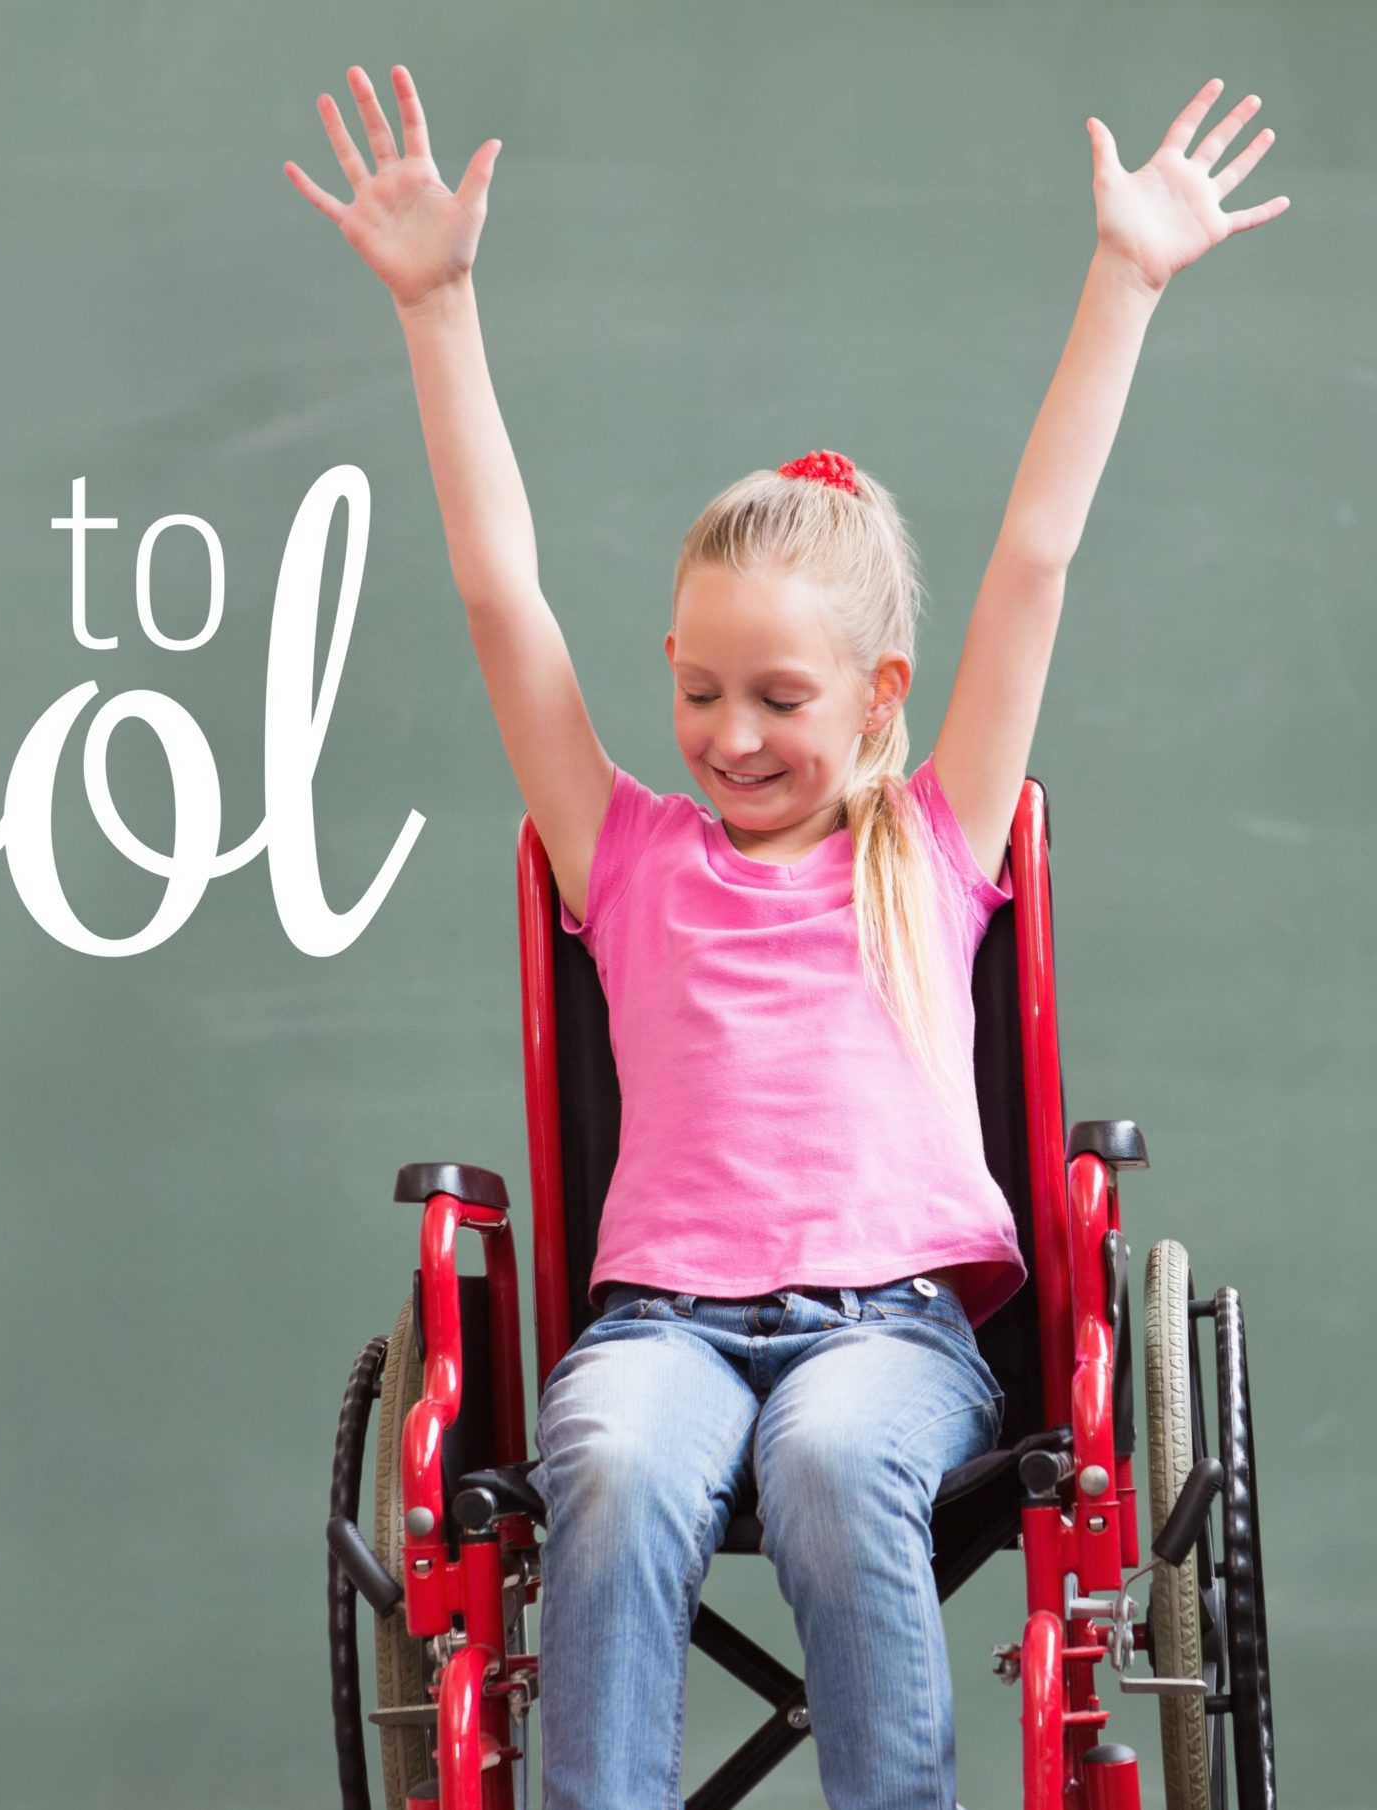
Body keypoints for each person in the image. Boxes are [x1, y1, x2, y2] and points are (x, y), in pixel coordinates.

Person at [287, 64, 1287, 1810]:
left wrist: (1127, 278)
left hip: (889, 1337)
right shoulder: (631, 852)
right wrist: (438, 308)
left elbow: (1032, 564)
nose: (729, 733)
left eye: (777, 696)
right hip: (664, 1328)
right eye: (695, 690)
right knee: (602, 1447)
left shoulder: (932, 842)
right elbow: (497, 597)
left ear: (880, 694)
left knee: (830, 1457)